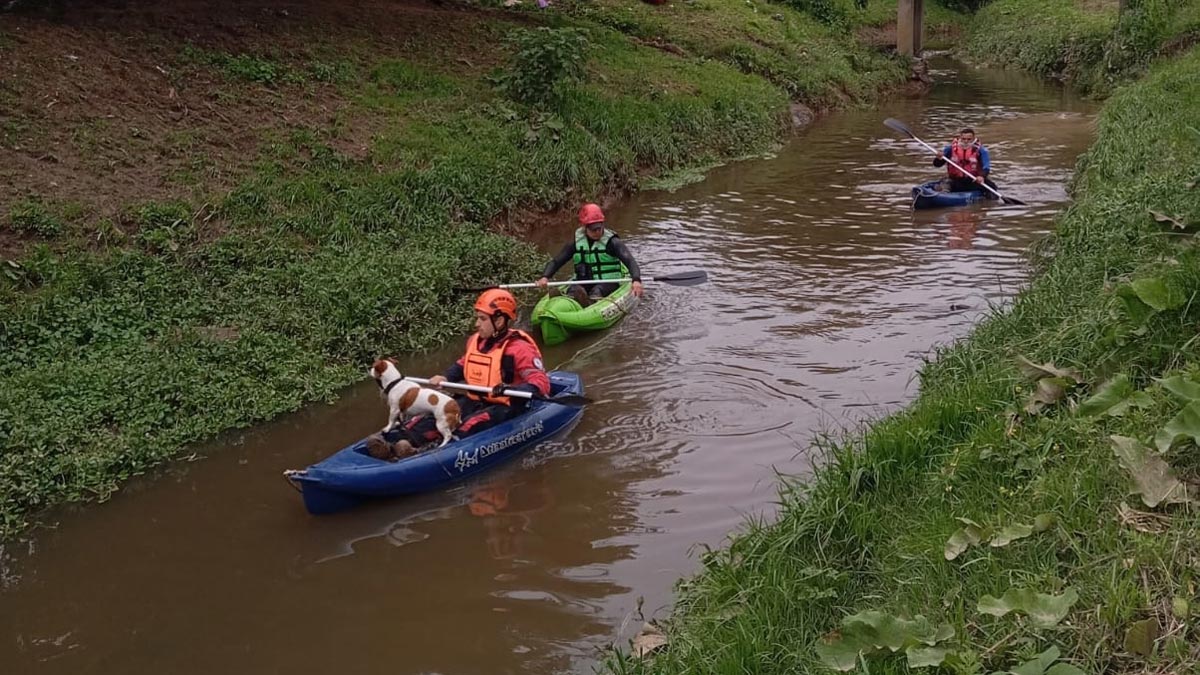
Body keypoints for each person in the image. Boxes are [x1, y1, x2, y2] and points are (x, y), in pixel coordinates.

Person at [392, 289, 550, 454]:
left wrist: (512, 390)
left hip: (505, 406)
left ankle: (428, 453)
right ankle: (400, 443)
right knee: (440, 413)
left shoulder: (519, 348)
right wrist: (445, 376)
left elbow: (541, 383)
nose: (477, 324)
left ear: (500, 321)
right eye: (477, 318)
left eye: (482, 319)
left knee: (469, 425)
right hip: (474, 400)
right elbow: (463, 364)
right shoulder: (476, 341)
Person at [535, 203, 644, 306]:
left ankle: (589, 304)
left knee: (597, 292)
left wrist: (636, 280)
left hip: (608, 282)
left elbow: (630, 261)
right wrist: (545, 277)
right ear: (585, 227)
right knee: (573, 289)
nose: (597, 232)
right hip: (584, 280)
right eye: (593, 229)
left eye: (599, 228)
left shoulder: (613, 242)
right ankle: (569, 301)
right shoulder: (575, 242)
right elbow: (557, 261)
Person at [933, 128, 999, 196]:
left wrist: (981, 176)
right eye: (963, 139)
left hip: (973, 180)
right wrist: (938, 158)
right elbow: (937, 165)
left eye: (969, 139)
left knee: (991, 187)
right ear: (960, 138)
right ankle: (943, 196)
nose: (966, 141)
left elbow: (986, 168)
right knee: (945, 183)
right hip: (955, 180)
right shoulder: (950, 148)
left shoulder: (981, 150)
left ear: (973, 139)